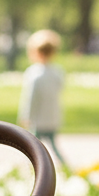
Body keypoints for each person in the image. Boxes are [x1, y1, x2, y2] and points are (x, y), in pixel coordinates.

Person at [18, 29, 67, 170]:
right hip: (52, 117)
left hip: (38, 119)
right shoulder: (57, 72)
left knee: (33, 147)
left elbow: (30, 99)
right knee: (53, 145)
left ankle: (31, 167)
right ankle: (63, 166)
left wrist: (26, 116)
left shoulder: (34, 74)